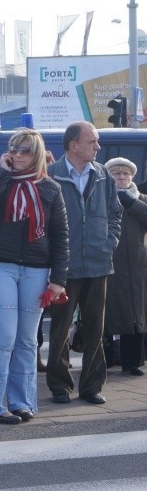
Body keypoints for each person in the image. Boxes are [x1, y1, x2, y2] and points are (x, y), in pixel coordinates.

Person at [0, 129, 69, 424]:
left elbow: (61, 236)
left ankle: (21, 402)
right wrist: (1, 173)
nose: (17, 154)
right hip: (0, 265)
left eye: (25, 149)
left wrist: (58, 279)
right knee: (5, 336)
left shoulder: (51, 188)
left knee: (27, 340)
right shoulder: (1, 181)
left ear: (37, 154)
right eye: (13, 148)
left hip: (38, 269)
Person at [47, 121, 122, 405]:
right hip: (64, 266)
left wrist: (109, 242)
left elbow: (115, 214)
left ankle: (91, 386)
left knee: (95, 328)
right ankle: (59, 385)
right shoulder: (52, 175)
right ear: (73, 145)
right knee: (59, 328)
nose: (98, 146)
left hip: (98, 263)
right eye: (92, 141)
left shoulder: (102, 174)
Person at [103, 157, 147, 376]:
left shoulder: (141, 199)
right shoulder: (100, 197)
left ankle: (133, 362)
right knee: (107, 313)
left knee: (135, 315)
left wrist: (132, 203)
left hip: (138, 269)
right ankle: (106, 359)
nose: (121, 177)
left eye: (125, 173)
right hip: (108, 266)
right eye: (116, 173)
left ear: (132, 177)